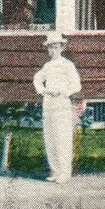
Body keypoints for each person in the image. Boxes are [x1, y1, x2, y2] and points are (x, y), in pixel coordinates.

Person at [32, 31, 82, 183]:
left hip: (61, 103)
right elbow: (37, 79)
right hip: (49, 103)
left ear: (61, 48)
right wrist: (42, 91)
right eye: (50, 48)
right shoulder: (47, 66)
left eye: (55, 47)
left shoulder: (67, 65)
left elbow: (76, 85)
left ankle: (65, 172)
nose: (52, 50)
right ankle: (55, 171)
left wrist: (64, 92)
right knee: (50, 137)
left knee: (62, 138)